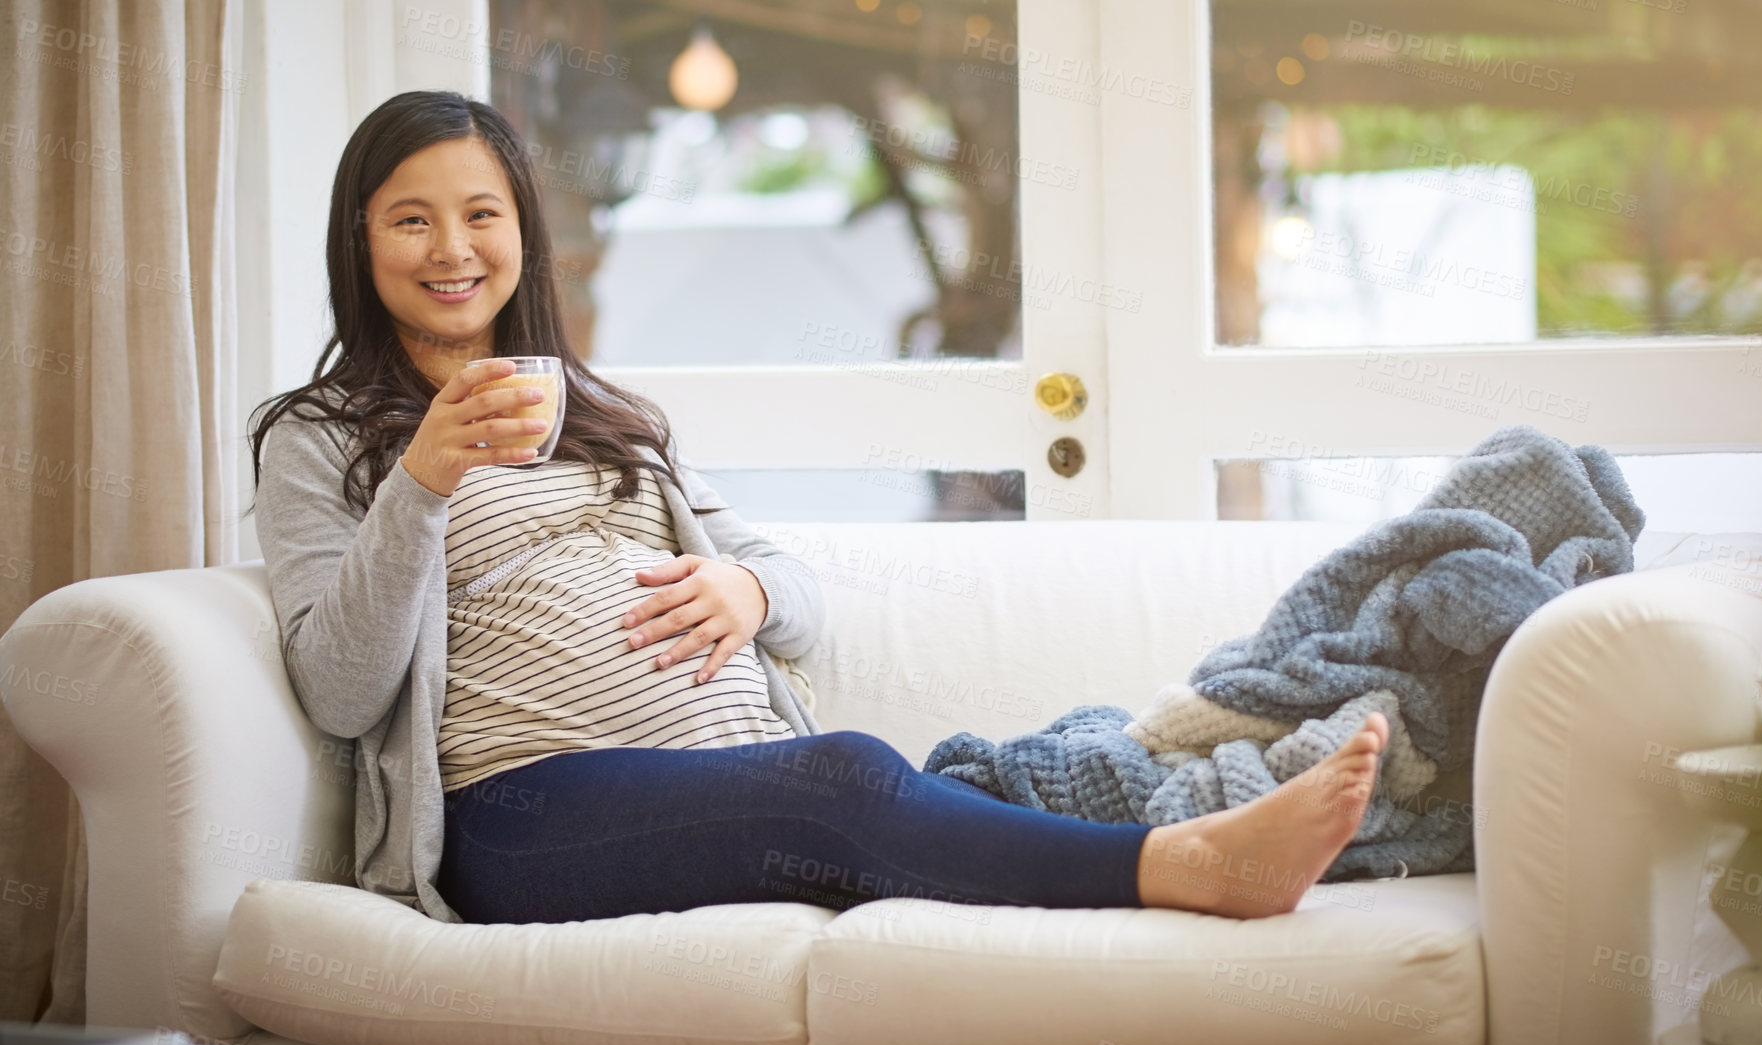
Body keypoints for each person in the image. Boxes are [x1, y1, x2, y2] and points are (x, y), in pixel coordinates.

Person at [247, 90, 1388, 929]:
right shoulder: (318, 437)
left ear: (520, 236)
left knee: (969, 774)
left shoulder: (605, 413)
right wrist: (422, 482)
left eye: (480, 214)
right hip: (524, 809)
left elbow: (796, 596)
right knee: (844, 781)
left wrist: (743, 587)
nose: (452, 249)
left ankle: (1214, 821)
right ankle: (1186, 867)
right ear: (361, 238)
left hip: (727, 773)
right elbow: (340, 691)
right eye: (411, 220)